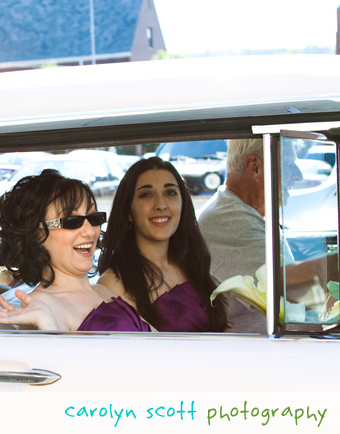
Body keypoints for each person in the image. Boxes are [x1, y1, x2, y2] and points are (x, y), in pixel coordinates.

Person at [0, 169, 151, 332]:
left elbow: (162, 342)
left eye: (94, 218)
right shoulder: (40, 305)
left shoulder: (103, 291)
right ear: (36, 234)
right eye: (71, 221)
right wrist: (48, 324)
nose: (90, 231)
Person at [198, 138, 331, 333]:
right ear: (254, 167)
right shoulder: (229, 221)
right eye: (287, 163)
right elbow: (294, 288)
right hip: (262, 356)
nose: (298, 175)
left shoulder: (244, 213)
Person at [98, 157, 229, 332]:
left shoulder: (193, 265)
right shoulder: (113, 285)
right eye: (146, 195)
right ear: (129, 212)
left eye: (170, 193)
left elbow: (223, 328)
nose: (161, 205)